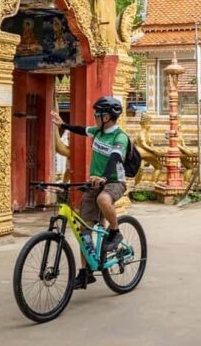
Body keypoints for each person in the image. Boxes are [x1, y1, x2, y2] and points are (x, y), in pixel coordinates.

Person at [50, 96, 128, 288]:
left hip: (114, 182)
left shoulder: (119, 137)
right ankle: (85, 273)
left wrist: (103, 177)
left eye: (98, 114)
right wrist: (64, 125)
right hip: (94, 183)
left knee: (103, 199)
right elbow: (81, 130)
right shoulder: (98, 132)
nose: (95, 117)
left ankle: (116, 231)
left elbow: (115, 158)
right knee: (84, 231)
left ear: (108, 117)